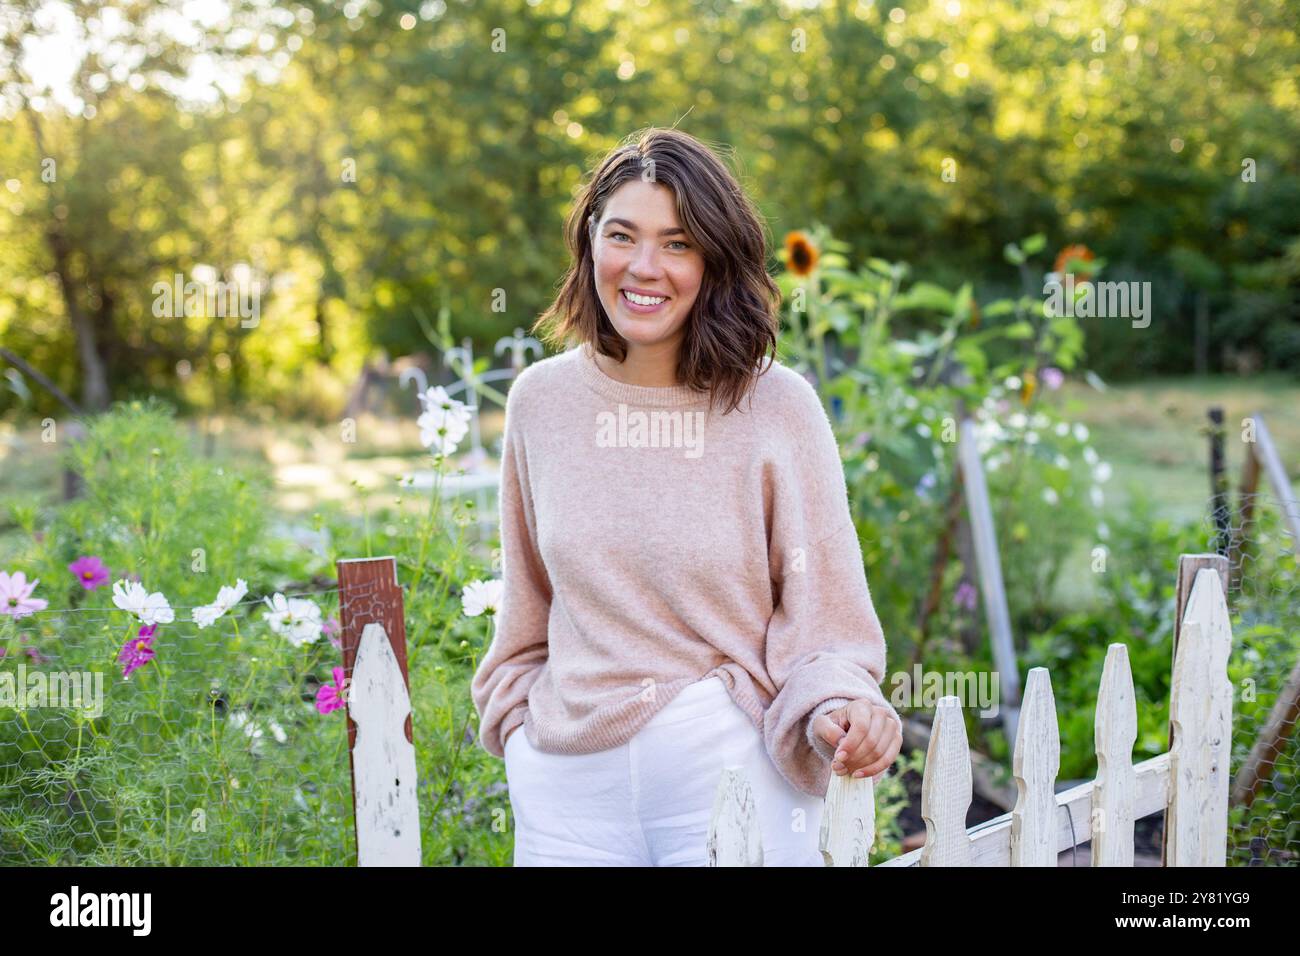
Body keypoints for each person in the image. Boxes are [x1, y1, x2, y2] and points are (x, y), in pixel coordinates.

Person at [470, 127, 903, 866]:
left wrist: (840, 705)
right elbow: (527, 615)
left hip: (729, 778)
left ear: (714, 259)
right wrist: (519, 735)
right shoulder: (540, 404)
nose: (644, 267)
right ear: (589, 247)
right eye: (622, 236)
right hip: (567, 795)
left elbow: (826, 623)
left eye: (677, 243)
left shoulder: (776, 409)